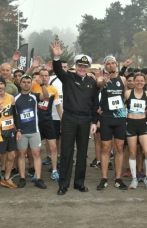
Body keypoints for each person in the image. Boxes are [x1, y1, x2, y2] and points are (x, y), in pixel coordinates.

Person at [51, 40, 98, 195]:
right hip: (70, 118)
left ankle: (79, 183)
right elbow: (58, 71)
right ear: (76, 66)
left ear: (88, 68)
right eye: (79, 66)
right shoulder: (68, 78)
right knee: (66, 152)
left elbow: (94, 104)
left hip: (85, 120)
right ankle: (63, 184)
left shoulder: (92, 82)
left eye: (85, 66)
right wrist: (56, 58)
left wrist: (94, 121)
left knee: (83, 152)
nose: (82, 68)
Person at [96, 55, 128, 191]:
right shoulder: (101, 79)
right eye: (108, 64)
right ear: (105, 66)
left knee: (120, 148)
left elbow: (125, 97)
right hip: (106, 118)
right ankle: (103, 178)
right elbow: (99, 85)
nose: (110, 66)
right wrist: (104, 82)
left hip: (120, 118)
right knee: (105, 148)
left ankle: (118, 178)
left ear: (116, 65)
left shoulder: (123, 79)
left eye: (113, 63)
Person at [0, 77, 22, 195]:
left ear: (5, 85)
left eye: (1, 84)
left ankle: (6, 178)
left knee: (12, 155)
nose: (0, 86)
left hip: (11, 131)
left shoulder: (11, 98)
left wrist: (19, 129)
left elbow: (15, 115)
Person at [15, 74, 49, 189]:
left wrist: (42, 84)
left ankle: (38, 178)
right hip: (21, 132)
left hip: (34, 131)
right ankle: (22, 178)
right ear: (20, 84)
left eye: (28, 82)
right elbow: (14, 116)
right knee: (21, 155)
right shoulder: (15, 98)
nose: (26, 84)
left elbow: (46, 95)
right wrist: (17, 130)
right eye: (24, 82)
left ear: (31, 84)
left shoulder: (34, 96)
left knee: (36, 154)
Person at [124, 73, 147, 190]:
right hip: (130, 124)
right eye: (137, 81)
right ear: (134, 82)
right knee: (132, 153)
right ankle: (134, 178)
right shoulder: (127, 93)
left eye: (142, 81)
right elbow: (122, 107)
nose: (139, 82)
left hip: (142, 125)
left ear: (145, 82)